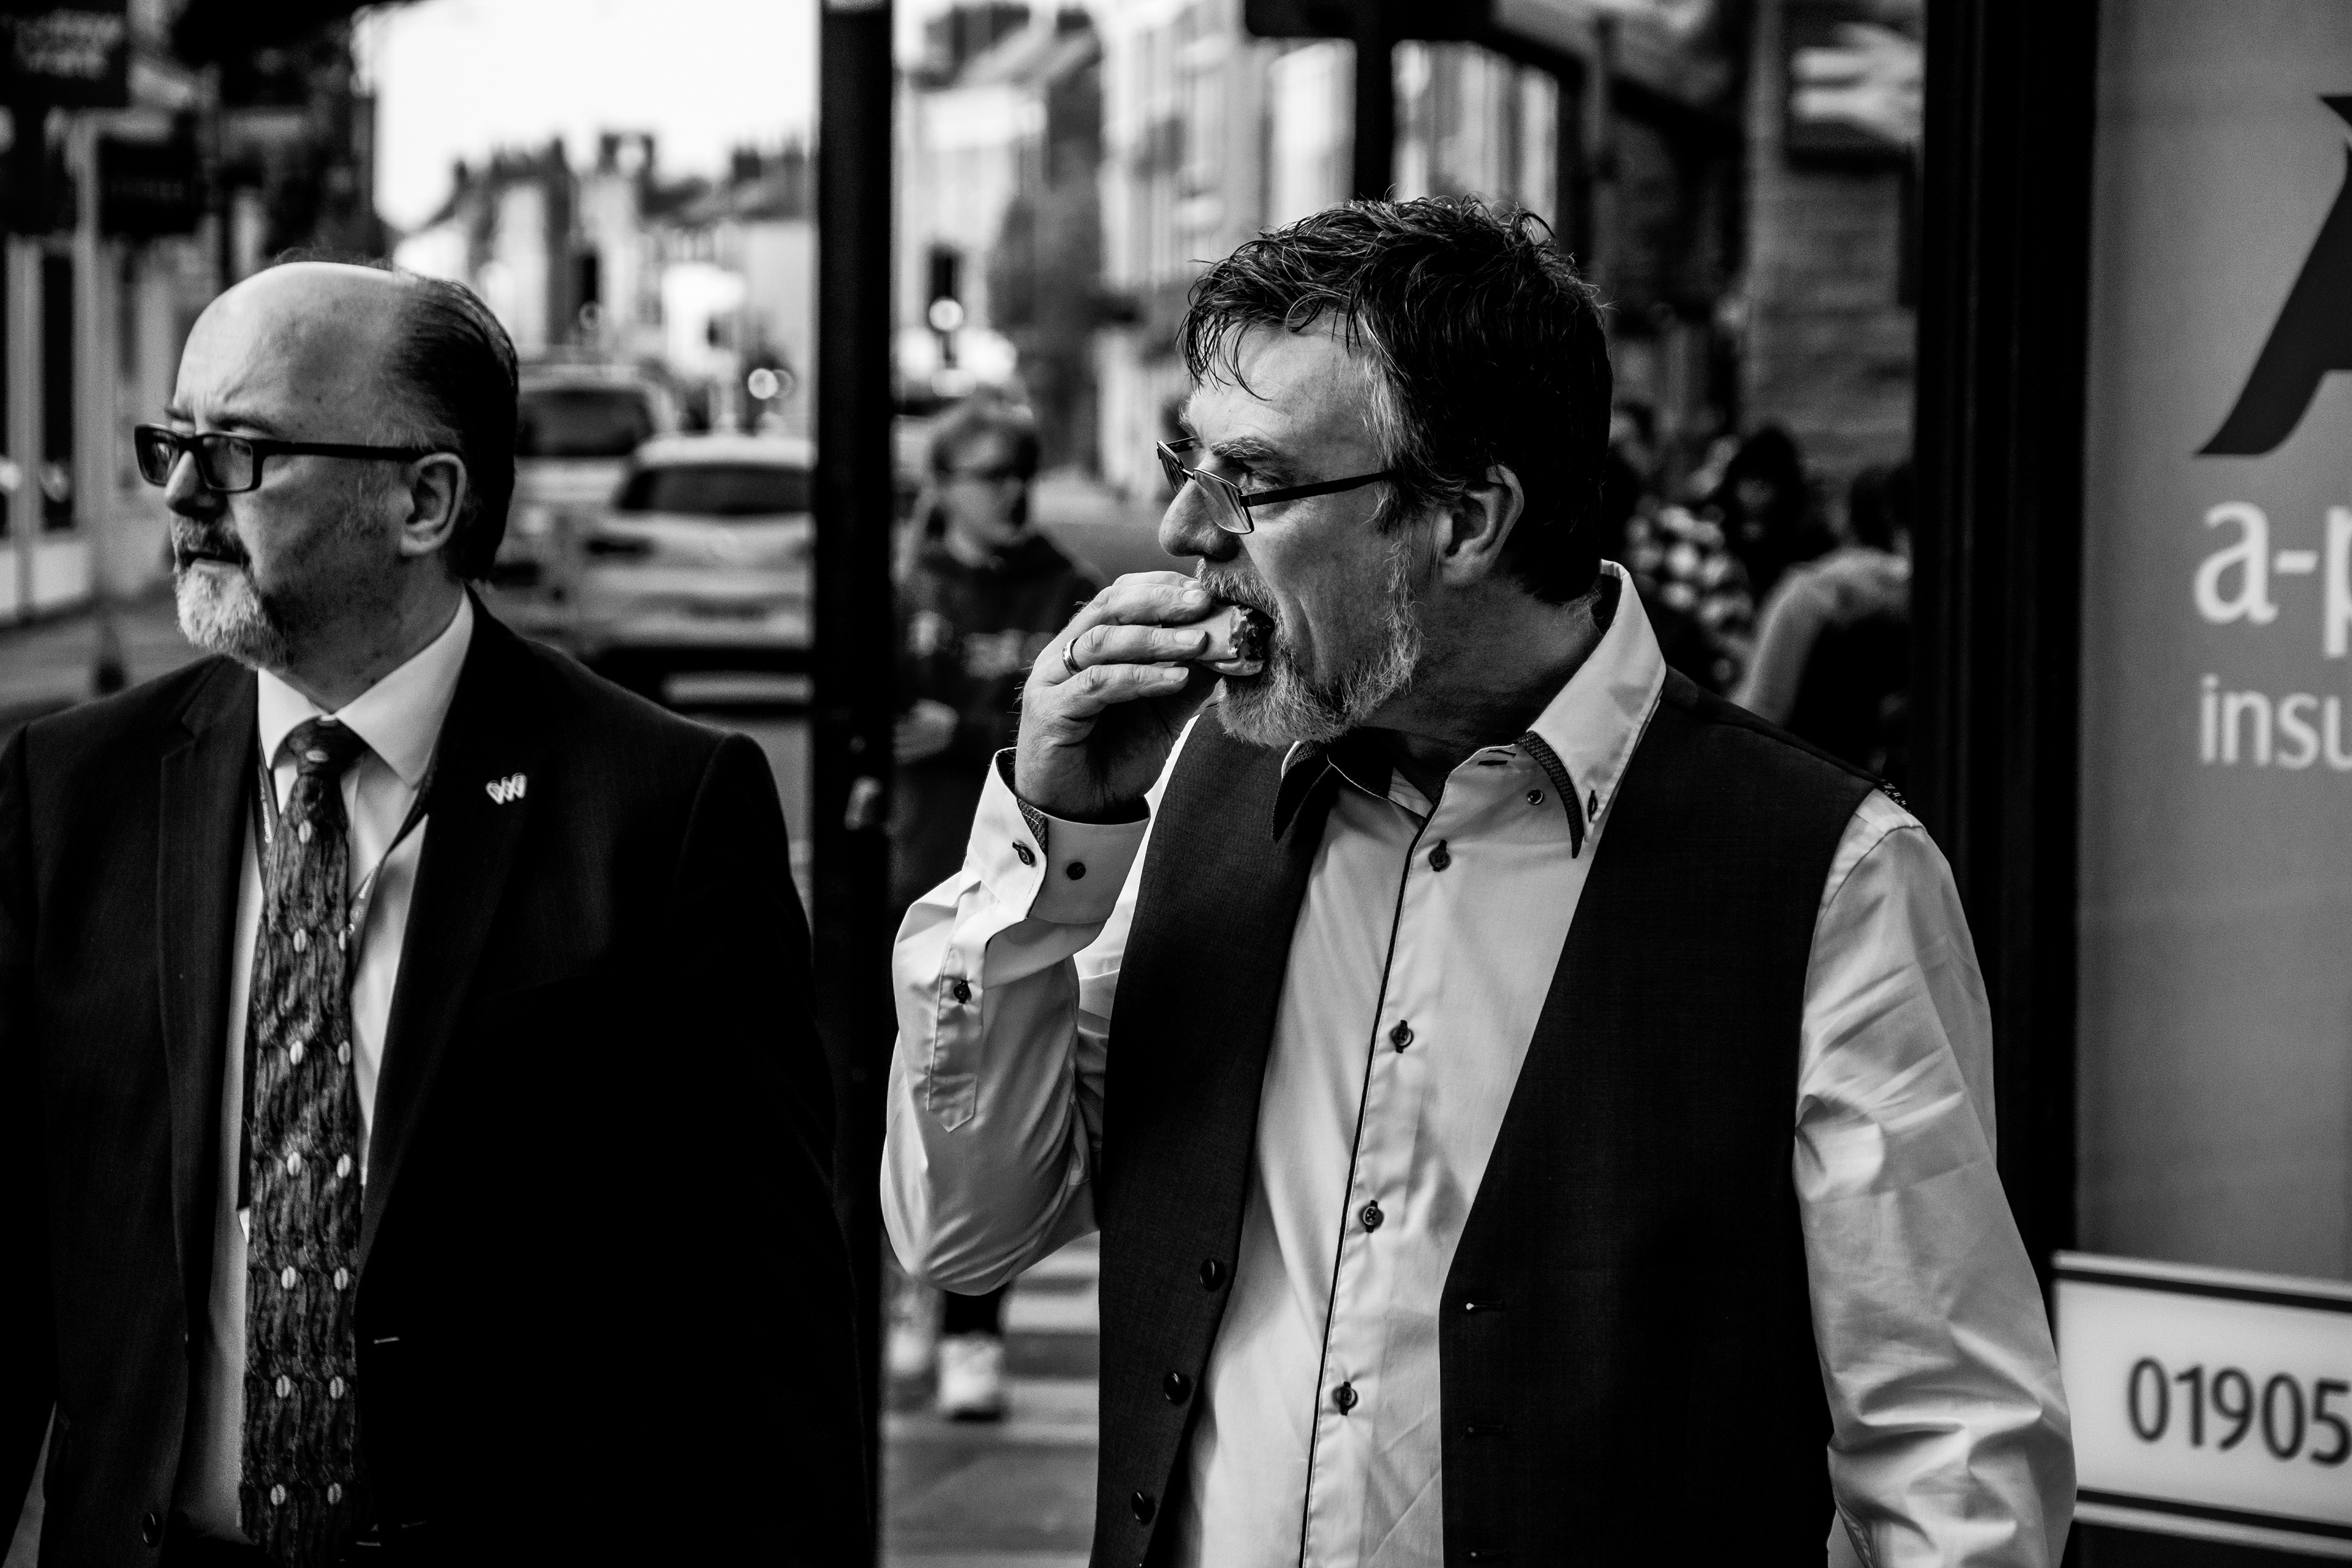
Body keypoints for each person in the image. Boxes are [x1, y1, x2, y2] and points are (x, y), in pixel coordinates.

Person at [882, 198, 2072, 1566]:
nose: (1181, 526)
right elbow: (966, 1230)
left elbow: (1952, 1466)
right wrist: (1048, 841)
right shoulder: (1200, 785)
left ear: (1463, 516)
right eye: (1187, 463)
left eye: (1254, 483)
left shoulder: (1827, 876)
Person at [0, 260, 866, 1566]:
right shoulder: (72, 795)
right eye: (173, 441)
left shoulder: (660, 810)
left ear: (423, 498)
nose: (181, 492)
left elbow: (767, 1324)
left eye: (239, 451)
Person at [888, 397, 1101, 1420]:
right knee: (894, 1109)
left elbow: (1080, 714)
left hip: (1012, 885)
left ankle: (974, 1329)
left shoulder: (1064, 586)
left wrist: (965, 720)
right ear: (947, 485)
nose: (1009, 490)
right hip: (909, 873)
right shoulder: (903, 584)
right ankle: (905, 1293)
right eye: (987, 473)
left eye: (1020, 469)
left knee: (986, 1106)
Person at [1736, 459, 1914, 783]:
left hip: (1805, 788)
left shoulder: (1809, 595)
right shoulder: (1946, 604)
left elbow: (1756, 717)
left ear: (1847, 519)